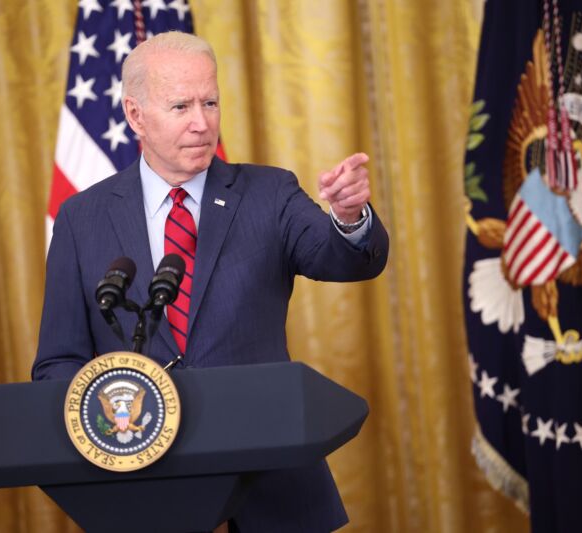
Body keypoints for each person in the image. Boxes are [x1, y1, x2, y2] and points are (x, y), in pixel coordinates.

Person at [33, 31, 389, 532]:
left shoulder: (270, 193)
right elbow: (57, 364)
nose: (201, 123)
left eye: (210, 102)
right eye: (180, 106)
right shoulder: (81, 218)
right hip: (145, 494)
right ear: (135, 115)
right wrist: (116, 428)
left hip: (274, 490)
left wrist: (349, 218)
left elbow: (345, 260)